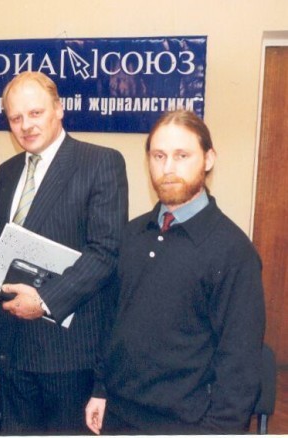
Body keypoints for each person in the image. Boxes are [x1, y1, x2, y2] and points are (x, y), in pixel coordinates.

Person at [85, 110, 265, 435]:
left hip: (186, 424)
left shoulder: (234, 251)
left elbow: (239, 363)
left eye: (182, 155)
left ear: (208, 159)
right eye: (159, 156)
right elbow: (111, 323)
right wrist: (100, 389)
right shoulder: (132, 234)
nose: (168, 168)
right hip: (119, 414)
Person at [0, 71, 128, 435]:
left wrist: (45, 301)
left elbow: (105, 252)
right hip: (11, 345)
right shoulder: (7, 172)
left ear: (59, 109)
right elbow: (1, 251)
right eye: (16, 118)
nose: (26, 125)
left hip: (66, 352)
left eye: (36, 113)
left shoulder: (100, 162)